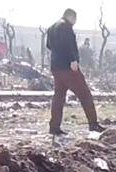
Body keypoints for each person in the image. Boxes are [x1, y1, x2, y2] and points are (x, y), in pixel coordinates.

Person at [46, 8, 102, 136]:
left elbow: (49, 46)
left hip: (56, 66)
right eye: (75, 19)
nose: (75, 22)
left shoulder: (51, 28)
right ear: (71, 17)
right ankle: (93, 124)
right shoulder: (66, 26)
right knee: (85, 94)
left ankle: (54, 127)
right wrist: (73, 60)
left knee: (59, 96)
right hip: (68, 66)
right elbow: (69, 45)